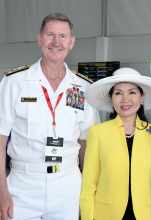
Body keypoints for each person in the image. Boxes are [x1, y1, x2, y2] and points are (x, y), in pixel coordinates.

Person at [0, 12, 98, 220]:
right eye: (50, 35)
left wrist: (88, 193)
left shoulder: (83, 87)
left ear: (71, 42)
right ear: (39, 39)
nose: (56, 42)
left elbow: (88, 145)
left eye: (63, 36)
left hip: (68, 185)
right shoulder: (14, 82)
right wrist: (2, 192)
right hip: (22, 185)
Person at [80, 67, 151, 220]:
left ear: (141, 98)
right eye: (118, 93)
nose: (125, 99)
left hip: (146, 215)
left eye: (132, 92)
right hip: (107, 215)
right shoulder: (98, 133)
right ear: (111, 99)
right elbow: (89, 184)